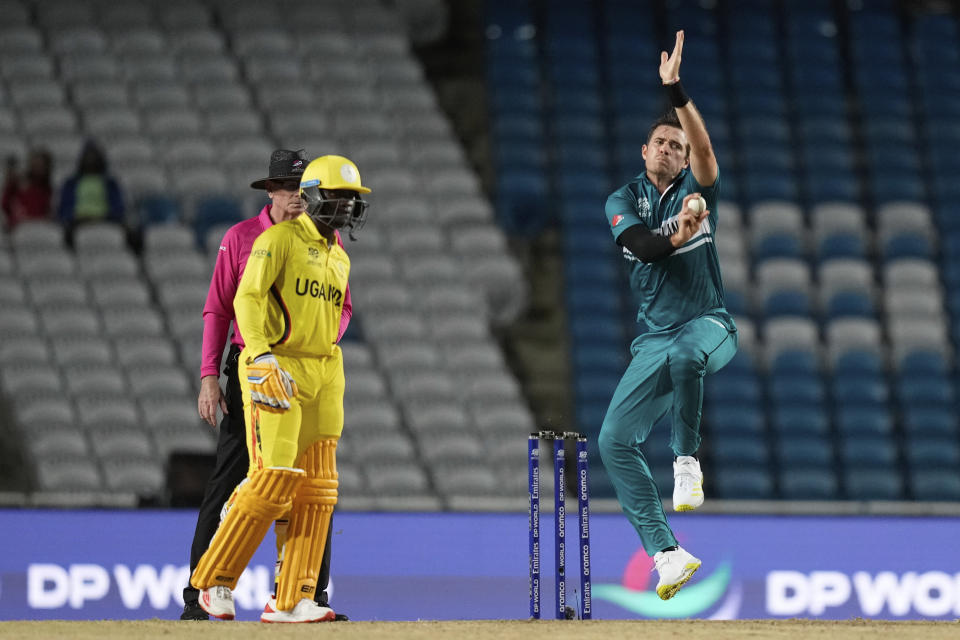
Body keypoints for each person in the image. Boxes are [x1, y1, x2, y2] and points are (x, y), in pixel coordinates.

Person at [190, 154, 370, 623]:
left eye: (351, 200)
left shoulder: (337, 254)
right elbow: (232, 303)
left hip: (322, 369)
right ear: (277, 192)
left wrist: (326, 337)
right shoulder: (264, 239)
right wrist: (248, 360)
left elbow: (342, 307)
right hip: (265, 363)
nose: (346, 208)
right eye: (337, 198)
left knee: (319, 488)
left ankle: (294, 597)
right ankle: (211, 583)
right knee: (268, 478)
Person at [598, 31, 738, 601]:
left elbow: (706, 157)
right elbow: (645, 246)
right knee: (613, 440)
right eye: (660, 142)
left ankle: (686, 461)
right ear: (644, 150)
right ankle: (666, 553)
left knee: (687, 351)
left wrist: (676, 90)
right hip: (654, 337)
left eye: (676, 146)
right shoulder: (622, 200)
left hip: (710, 325)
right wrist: (677, 230)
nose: (667, 150)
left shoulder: (697, 186)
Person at [56, 139, 125, 232]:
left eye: (93, 156)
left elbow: (118, 207)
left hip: (105, 219)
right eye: (88, 156)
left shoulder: (110, 183)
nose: (91, 160)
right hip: (77, 221)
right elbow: (64, 207)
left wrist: (105, 217)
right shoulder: (71, 183)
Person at [2, 148, 54, 229]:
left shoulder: (48, 190)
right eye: (35, 164)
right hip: (19, 225)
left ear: (46, 167)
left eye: (40, 165)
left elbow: (47, 211)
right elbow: (5, 204)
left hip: (39, 225)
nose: (37, 168)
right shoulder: (17, 182)